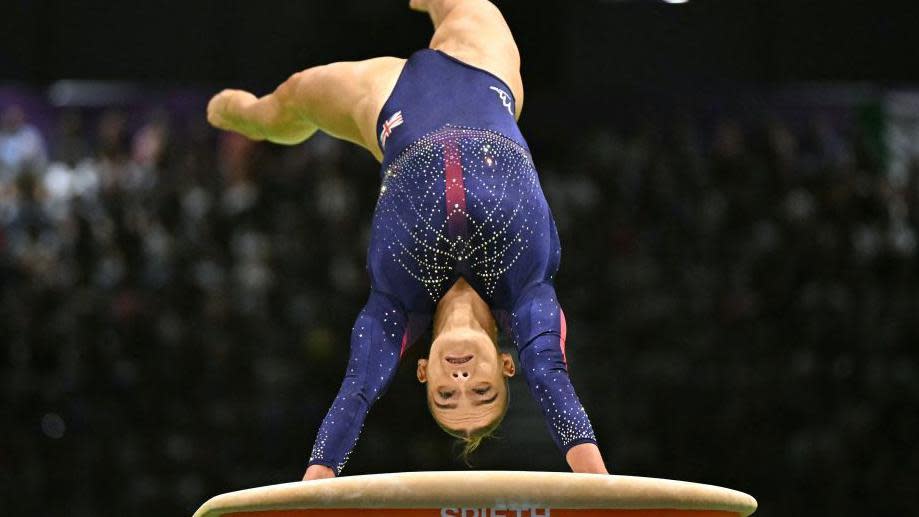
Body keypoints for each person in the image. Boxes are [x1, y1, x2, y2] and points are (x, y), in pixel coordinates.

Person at [207, 0, 609, 480]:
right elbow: (551, 378)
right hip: (482, 72)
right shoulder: (527, 293)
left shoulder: (398, 306)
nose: (461, 380)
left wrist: (317, 480)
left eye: (446, 395)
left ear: (423, 374)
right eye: (481, 391)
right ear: (506, 365)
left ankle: (241, 114)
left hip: (382, 104)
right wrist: (599, 486)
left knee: (280, 108)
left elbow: (356, 390)